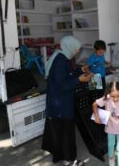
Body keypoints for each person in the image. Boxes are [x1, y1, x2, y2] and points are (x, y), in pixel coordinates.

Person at [42, 36, 93, 166]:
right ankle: (69, 161)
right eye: (77, 49)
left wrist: (80, 70)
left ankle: (62, 158)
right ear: (69, 47)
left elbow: (68, 74)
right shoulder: (60, 62)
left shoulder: (63, 58)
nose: (78, 51)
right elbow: (62, 85)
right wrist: (79, 80)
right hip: (61, 104)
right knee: (65, 133)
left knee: (60, 132)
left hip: (59, 103)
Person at [92, 81, 119, 166]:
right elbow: (94, 104)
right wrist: (96, 116)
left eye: (118, 96)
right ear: (109, 93)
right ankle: (111, 159)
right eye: (113, 96)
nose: (116, 99)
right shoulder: (106, 98)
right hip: (110, 127)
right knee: (110, 145)